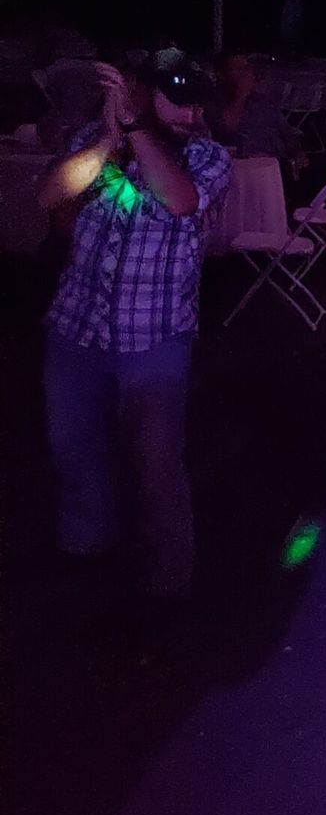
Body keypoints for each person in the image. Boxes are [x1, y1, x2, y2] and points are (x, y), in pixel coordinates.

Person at [37, 50, 233, 599]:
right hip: (76, 326)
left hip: (155, 337)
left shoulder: (209, 158)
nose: (190, 115)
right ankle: (85, 546)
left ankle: (168, 581)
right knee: (72, 444)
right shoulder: (91, 145)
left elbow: (178, 201)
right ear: (144, 94)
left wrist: (137, 129)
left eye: (196, 104)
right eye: (176, 99)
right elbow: (50, 194)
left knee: (156, 465)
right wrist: (108, 138)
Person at [208, 52, 303, 169]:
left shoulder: (263, 101)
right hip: (244, 169)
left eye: (246, 67)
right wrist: (241, 94)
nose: (244, 73)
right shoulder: (214, 101)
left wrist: (297, 151)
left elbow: (285, 130)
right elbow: (226, 129)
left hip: (277, 164)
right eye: (238, 69)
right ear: (222, 74)